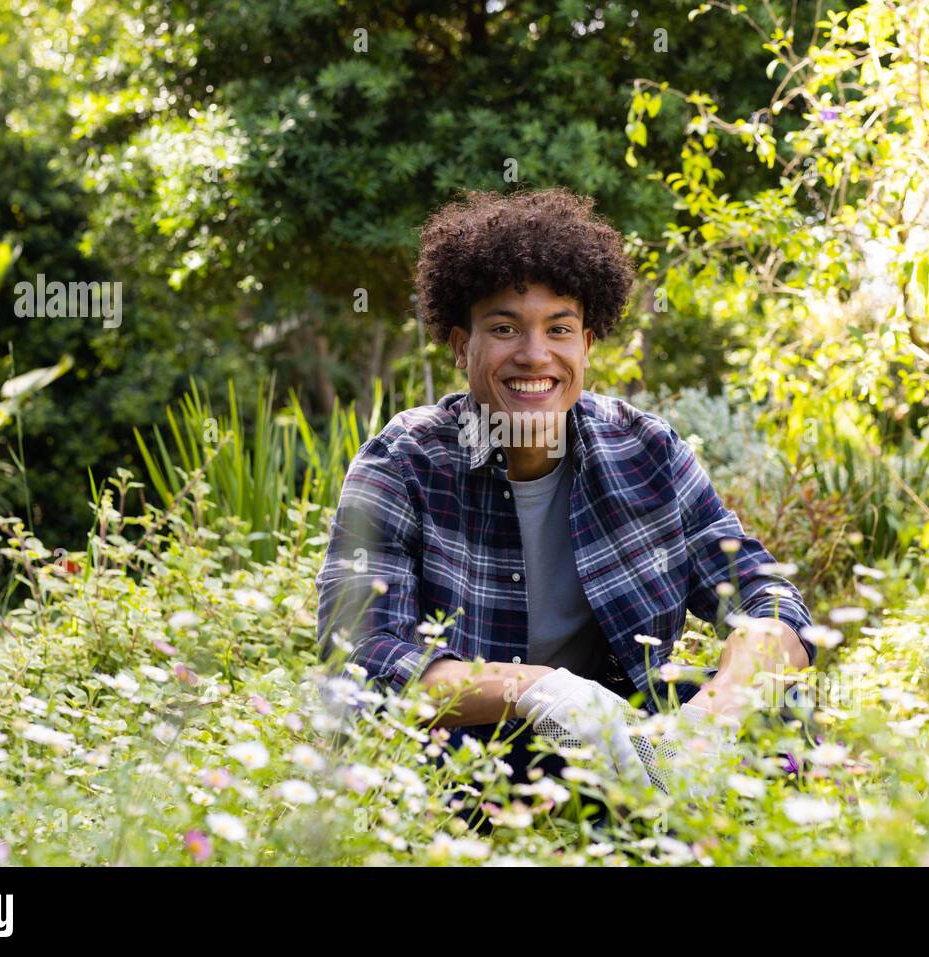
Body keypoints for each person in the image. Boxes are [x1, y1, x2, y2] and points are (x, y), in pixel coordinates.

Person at [315, 186, 814, 804]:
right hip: (471, 757)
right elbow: (361, 659)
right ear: (459, 345)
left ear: (587, 344)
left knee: (778, 700)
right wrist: (543, 690)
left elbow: (766, 595)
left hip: (628, 742)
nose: (535, 355)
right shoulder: (405, 462)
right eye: (504, 328)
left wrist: (714, 713)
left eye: (560, 329)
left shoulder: (646, 450)